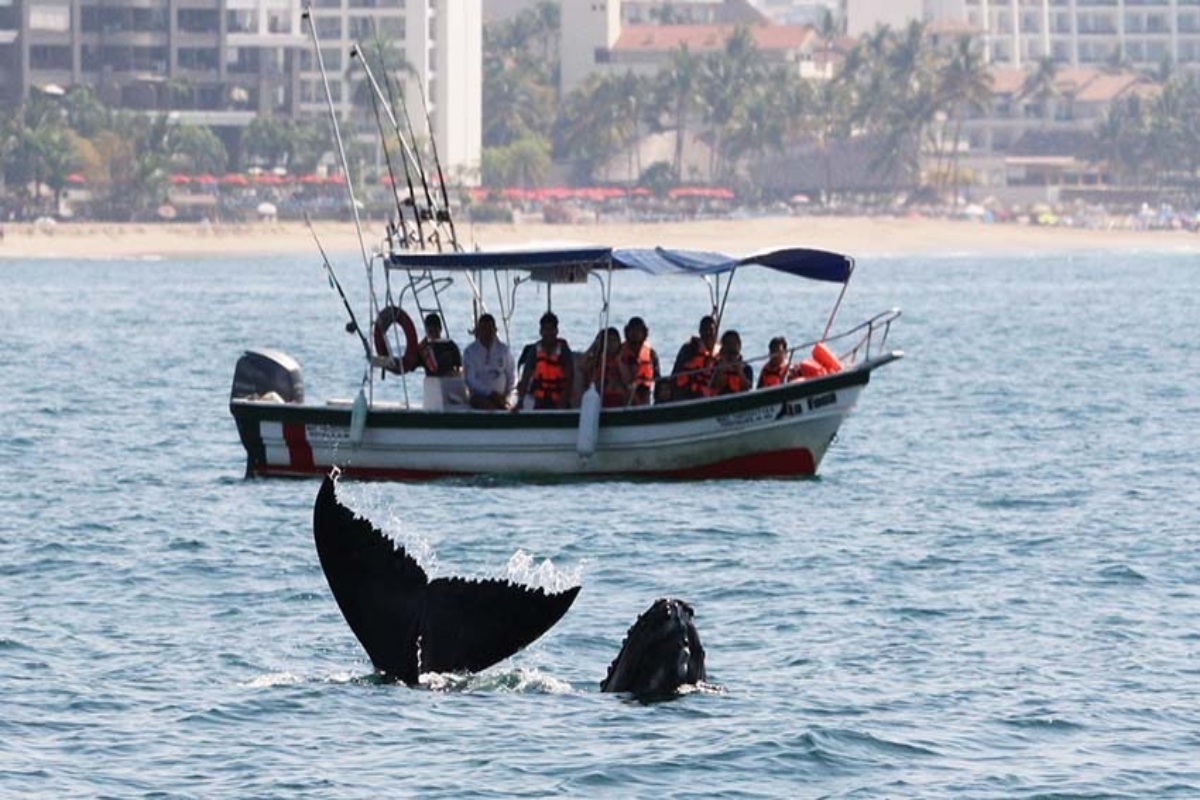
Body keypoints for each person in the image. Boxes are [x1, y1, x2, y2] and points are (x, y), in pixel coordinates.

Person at [515, 311, 574, 410]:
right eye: (546, 330)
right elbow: (526, 377)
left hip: (559, 399)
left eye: (552, 329)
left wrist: (563, 399)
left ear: (556, 331)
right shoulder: (535, 350)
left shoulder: (563, 350)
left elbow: (570, 377)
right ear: (541, 331)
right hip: (539, 400)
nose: (549, 333)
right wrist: (520, 401)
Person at [462, 313, 515, 410]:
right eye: (484, 330)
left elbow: (511, 376)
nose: (487, 333)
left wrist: (506, 395)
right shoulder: (470, 352)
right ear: (478, 331)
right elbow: (471, 379)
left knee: (513, 408)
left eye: (490, 330)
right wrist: (490, 393)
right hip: (479, 397)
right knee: (488, 406)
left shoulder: (504, 350)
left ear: (495, 330)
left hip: (502, 397)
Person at [670, 315, 719, 401]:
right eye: (705, 330)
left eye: (711, 330)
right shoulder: (690, 348)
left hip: (709, 394)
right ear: (700, 332)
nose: (708, 333)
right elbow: (676, 372)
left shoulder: (719, 352)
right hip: (687, 392)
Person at [619, 316, 661, 406]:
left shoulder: (651, 354)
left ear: (644, 333)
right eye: (632, 330)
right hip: (623, 396)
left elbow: (658, 378)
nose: (635, 333)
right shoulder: (620, 351)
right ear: (627, 332)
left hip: (644, 395)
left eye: (638, 330)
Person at [582, 327, 628, 408]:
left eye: (614, 341)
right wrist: (594, 345)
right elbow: (582, 366)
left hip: (618, 398)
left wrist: (619, 362)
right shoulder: (597, 359)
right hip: (599, 398)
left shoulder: (624, 359)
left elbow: (627, 379)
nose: (611, 344)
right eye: (609, 341)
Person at [418, 312, 462, 377]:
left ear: (440, 329)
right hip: (432, 383)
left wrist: (454, 373)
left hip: (449, 381)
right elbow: (411, 364)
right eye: (430, 331)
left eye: (435, 330)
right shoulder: (424, 348)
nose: (433, 334)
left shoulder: (450, 345)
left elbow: (459, 366)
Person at [710, 330, 752, 395]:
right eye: (728, 344)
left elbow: (747, 388)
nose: (731, 346)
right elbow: (715, 385)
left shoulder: (746, 368)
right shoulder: (715, 366)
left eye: (734, 343)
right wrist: (722, 365)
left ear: (739, 345)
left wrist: (739, 371)